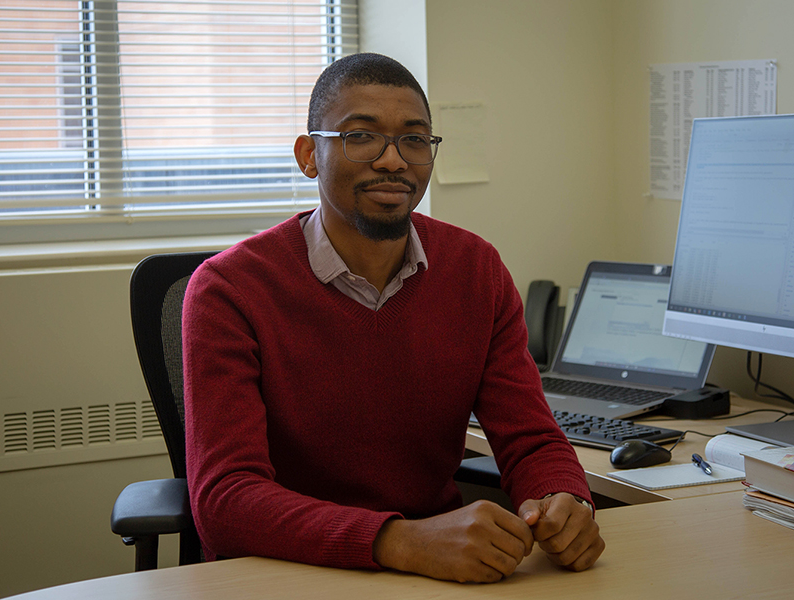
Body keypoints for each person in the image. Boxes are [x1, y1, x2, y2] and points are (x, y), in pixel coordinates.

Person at [182, 52, 605, 584]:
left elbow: (532, 441)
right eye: (361, 136)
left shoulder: (476, 270)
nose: (393, 160)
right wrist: (398, 540)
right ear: (309, 155)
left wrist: (563, 500)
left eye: (414, 139)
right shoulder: (229, 290)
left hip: (436, 570)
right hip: (284, 572)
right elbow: (226, 500)